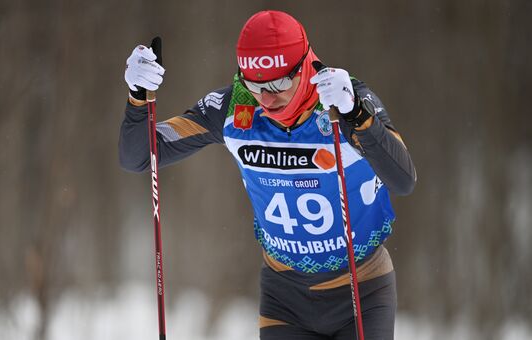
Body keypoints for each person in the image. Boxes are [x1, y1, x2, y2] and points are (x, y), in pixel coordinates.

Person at [119, 10, 416, 340]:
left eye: (279, 83)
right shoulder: (234, 107)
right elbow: (139, 157)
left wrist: (356, 114)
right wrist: (137, 97)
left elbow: (403, 179)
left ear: (304, 67)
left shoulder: (342, 101)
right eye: (255, 84)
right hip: (284, 299)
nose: (268, 98)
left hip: (361, 292)